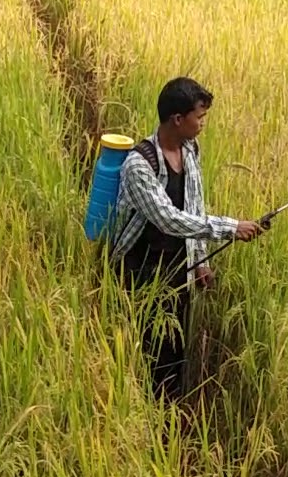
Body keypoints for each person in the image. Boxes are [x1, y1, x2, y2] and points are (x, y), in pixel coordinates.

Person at [108, 77, 265, 402]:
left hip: (178, 268)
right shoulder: (139, 165)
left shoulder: (190, 149)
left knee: (174, 348)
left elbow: (194, 202)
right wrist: (231, 227)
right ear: (177, 119)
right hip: (140, 272)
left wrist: (201, 260)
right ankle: (140, 410)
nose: (203, 123)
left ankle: (169, 411)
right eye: (200, 116)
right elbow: (169, 219)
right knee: (145, 348)